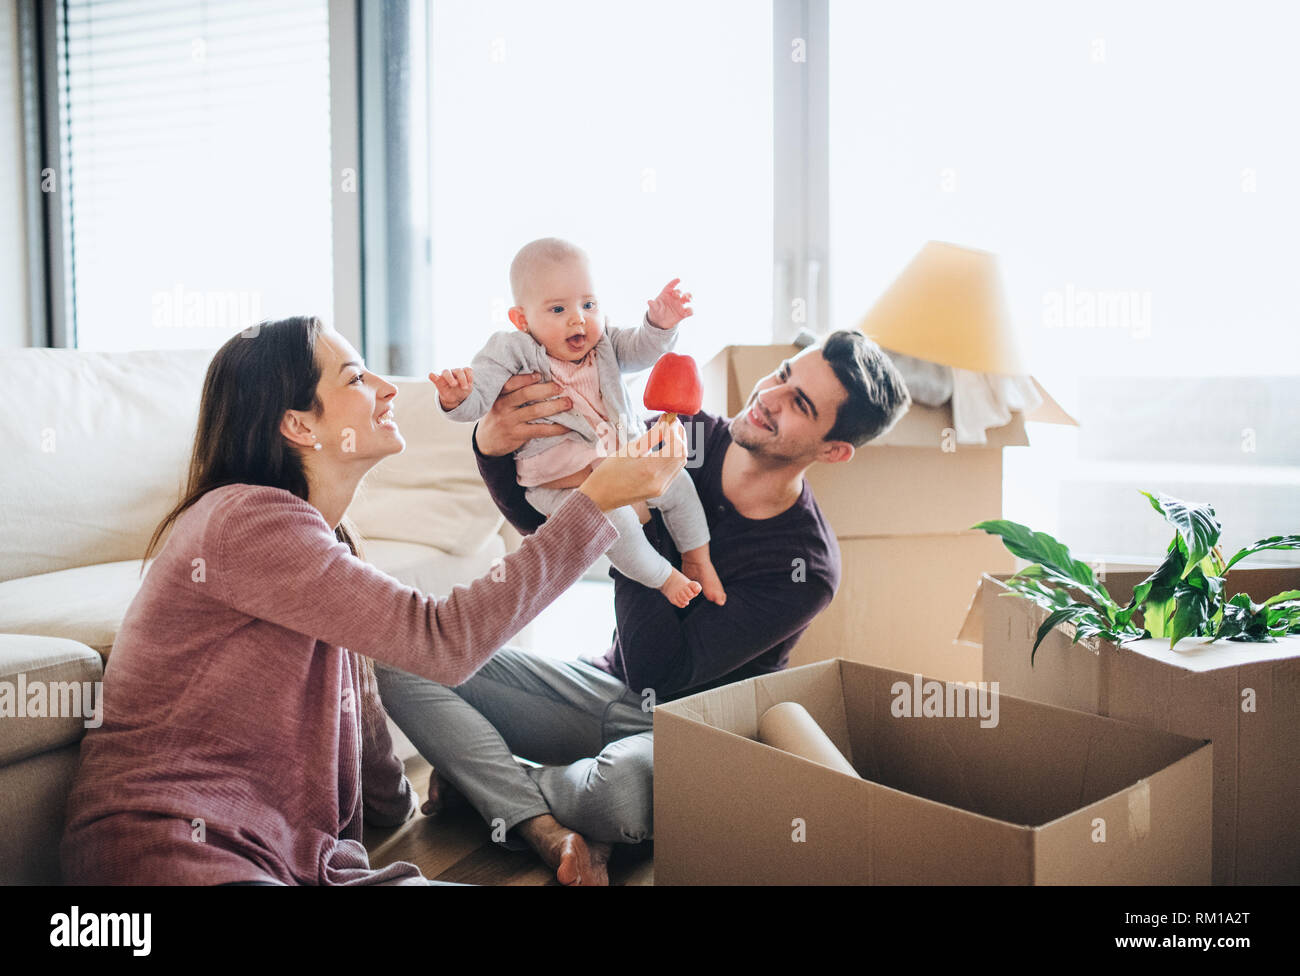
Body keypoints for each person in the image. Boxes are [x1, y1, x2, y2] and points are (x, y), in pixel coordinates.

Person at [59, 315, 686, 886]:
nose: (388, 390)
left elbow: (358, 690)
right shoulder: (243, 520)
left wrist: (400, 802)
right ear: (299, 424)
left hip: (297, 857)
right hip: (172, 847)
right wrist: (593, 501)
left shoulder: (317, 536)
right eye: (357, 377)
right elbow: (442, 641)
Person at [376, 329, 911, 885]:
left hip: (686, 726)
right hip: (599, 687)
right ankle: (535, 820)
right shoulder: (685, 435)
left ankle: (482, 783)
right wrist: (489, 447)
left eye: (800, 403)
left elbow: (664, 671)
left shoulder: (805, 567)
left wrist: (637, 514)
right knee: (402, 656)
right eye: (782, 374)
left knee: (616, 794)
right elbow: (546, 524)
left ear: (833, 450)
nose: (770, 397)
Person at [432, 237, 723, 607]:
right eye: (557, 309)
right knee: (616, 522)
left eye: (588, 304)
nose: (578, 318)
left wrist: (659, 325)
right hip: (559, 483)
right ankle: (664, 578)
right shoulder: (511, 350)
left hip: (621, 462)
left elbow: (641, 350)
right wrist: (457, 397)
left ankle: (698, 558)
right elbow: (479, 397)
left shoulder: (603, 344)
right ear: (522, 319)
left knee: (679, 483)